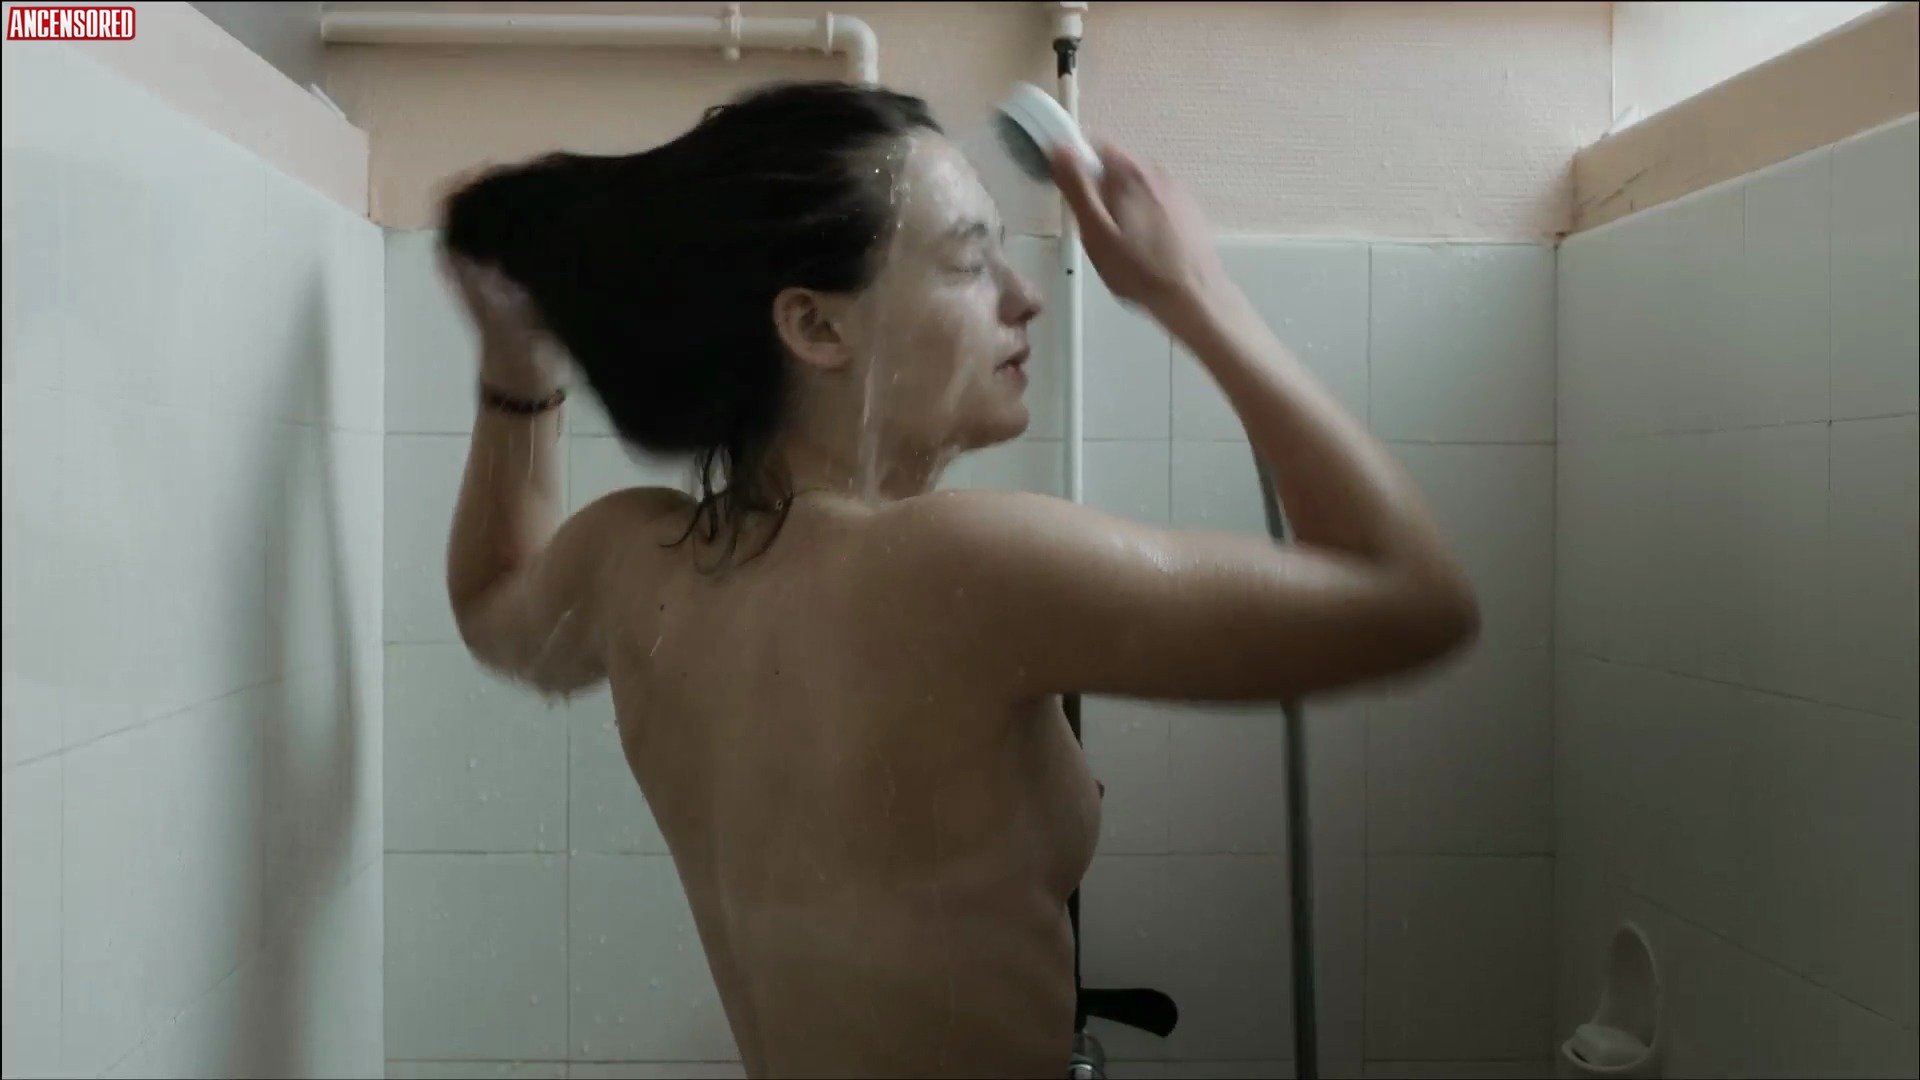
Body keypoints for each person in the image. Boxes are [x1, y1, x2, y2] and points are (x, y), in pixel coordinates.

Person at [436, 81, 1478, 1080]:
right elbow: (1412, 600)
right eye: (971, 263)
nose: (1024, 298)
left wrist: (517, 374)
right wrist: (1192, 294)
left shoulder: (633, 562)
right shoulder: (959, 568)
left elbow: (490, 602)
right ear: (816, 326)